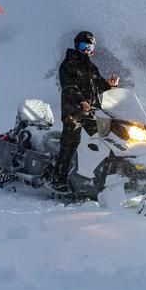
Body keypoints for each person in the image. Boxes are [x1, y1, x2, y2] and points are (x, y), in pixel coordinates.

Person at [51, 31, 119, 192]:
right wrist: (81, 100)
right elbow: (69, 86)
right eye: (83, 46)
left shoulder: (91, 67)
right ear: (76, 46)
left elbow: (101, 86)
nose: (86, 51)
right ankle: (58, 179)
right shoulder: (69, 64)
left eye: (89, 47)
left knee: (105, 139)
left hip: (92, 112)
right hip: (72, 111)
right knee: (70, 142)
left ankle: (102, 177)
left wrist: (111, 86)